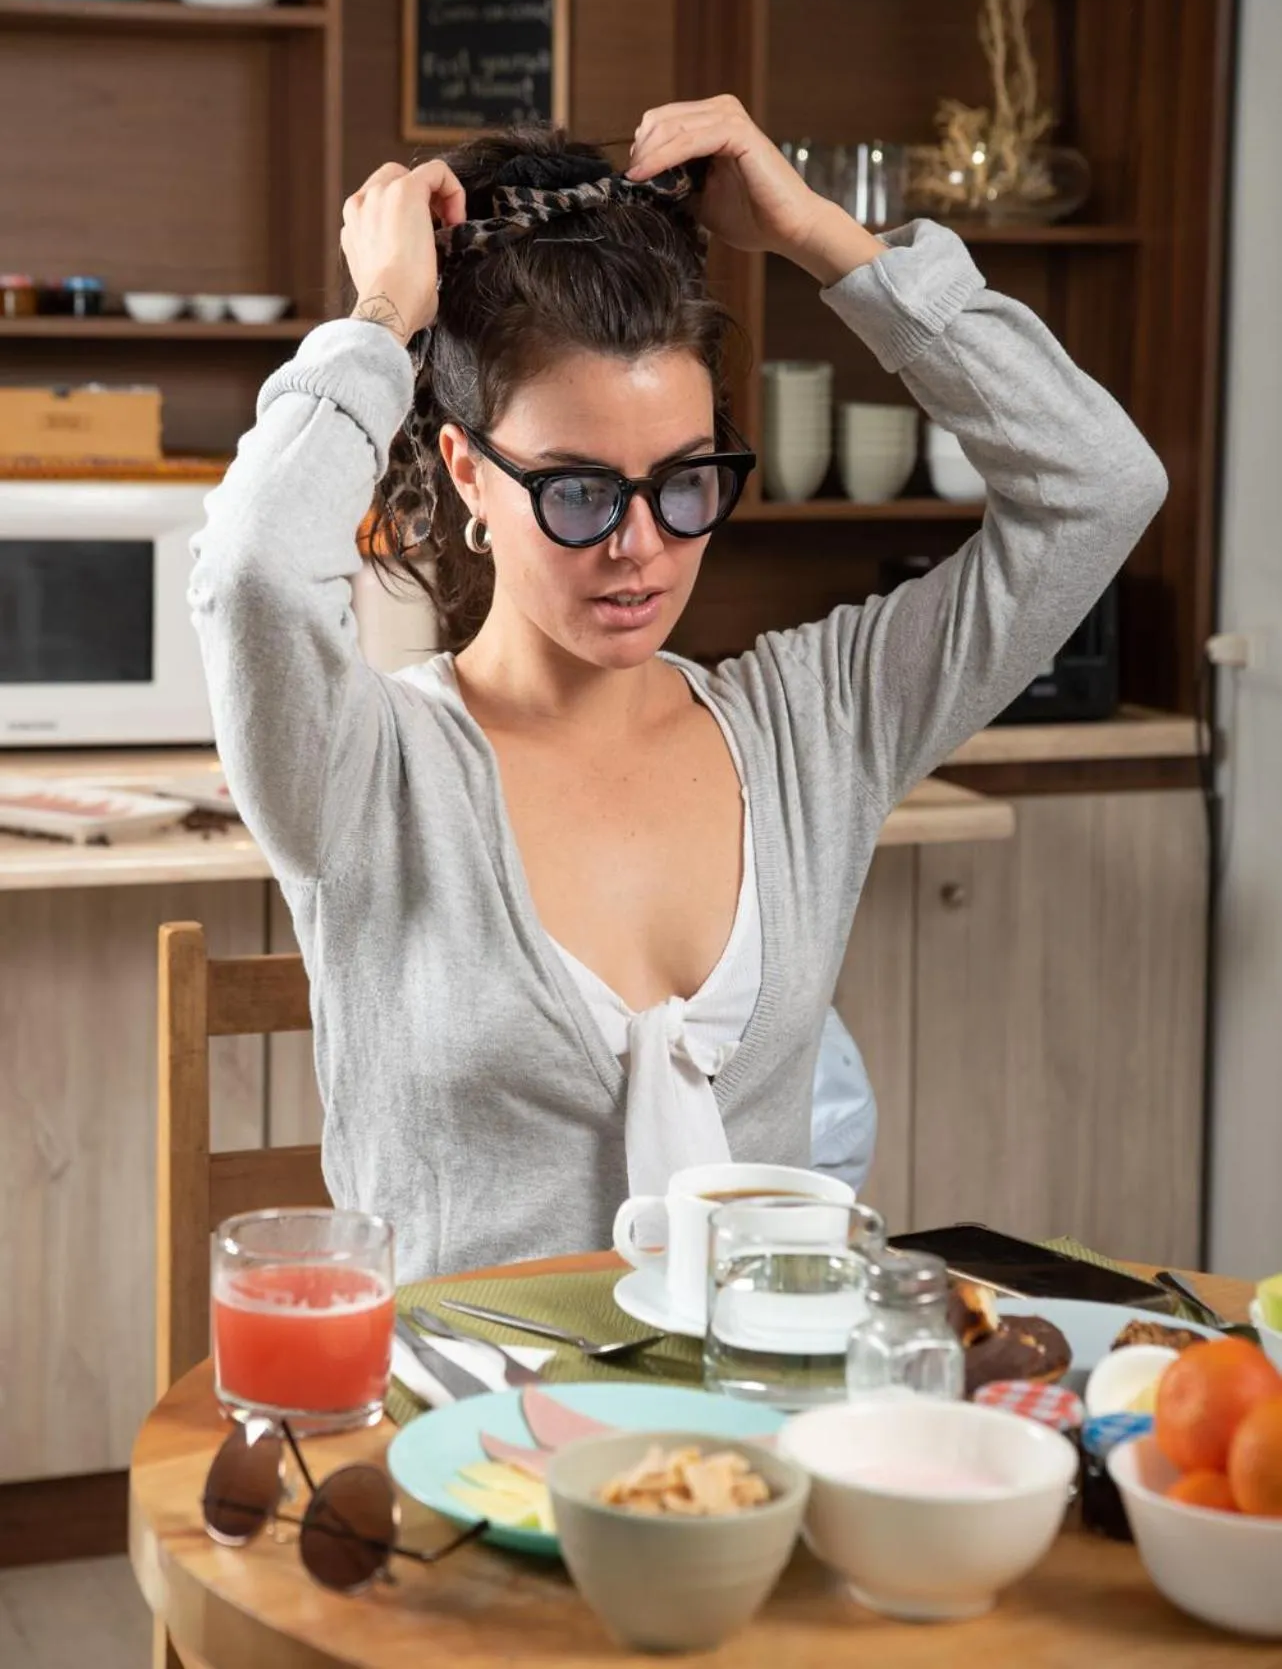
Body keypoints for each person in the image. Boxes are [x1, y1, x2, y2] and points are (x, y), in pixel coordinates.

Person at [190, 95, 1166, 1280]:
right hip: (457, 1444)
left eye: (684, 481)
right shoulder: (362, 770)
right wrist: (383, 320)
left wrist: (823, 239)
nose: (639, 547)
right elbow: (251, 570)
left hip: (752, 1438)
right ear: (467, 472)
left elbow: (1097, 486)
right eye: (579, 489)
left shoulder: (817, 724)